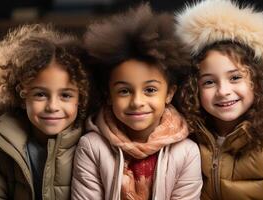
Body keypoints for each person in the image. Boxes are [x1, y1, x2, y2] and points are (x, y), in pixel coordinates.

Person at [175, 0, 263, 199]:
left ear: (258, 81)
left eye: (235, 78)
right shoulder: (189, 131)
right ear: (193, 88)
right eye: (208, 82)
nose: (223, 91)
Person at [71, 4, 202, 200]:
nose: (137, 102)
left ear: (169, 93)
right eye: (124, 91)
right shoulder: (91, 147)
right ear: (108, 94)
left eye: (150, 90)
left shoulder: (187, 153)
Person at [0, 24, 89, 200]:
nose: (52, 106)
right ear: (22, 96)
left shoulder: (92, 140)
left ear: (81, 98)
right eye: (40, 94)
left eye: (65, 95)